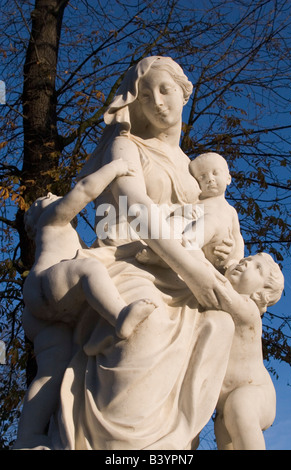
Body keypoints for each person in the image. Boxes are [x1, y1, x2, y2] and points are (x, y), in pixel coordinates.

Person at [19, 56, 238, 451]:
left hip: (185, 272)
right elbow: (136, 211)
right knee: (144, 323)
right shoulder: (124, 145)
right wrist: (194, 269)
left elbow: (205, 221)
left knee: (222, 325)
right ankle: (118, 446)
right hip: (130, 262)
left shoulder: (192, 167)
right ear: (132, 103)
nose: (157, 101)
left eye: (166, 89)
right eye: (145, 93)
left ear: (184, 93)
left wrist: (217, 254)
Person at [14, 158, 157, 450]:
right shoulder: (51, 219)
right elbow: (84, 190)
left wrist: (139, 249)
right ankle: (120, 317)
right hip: (47, 284)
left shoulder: (66, 240)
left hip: (39, 308)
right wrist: (116, 167)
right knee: (87, 270)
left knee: (51, 373)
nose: (53, 196)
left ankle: (27, 438)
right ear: (37, 215)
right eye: (46, 198)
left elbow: (109, 254)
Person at [213, 253, 284, 450]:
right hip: (224, 402)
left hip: (256, 392)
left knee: (240, 407)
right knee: (223, 427)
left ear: (261, 293)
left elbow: (212, 284)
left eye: (257, 268)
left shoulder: (248, 310)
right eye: (247, 259)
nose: (246, 262)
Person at [136, 151, 244, 272]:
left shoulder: (230, 210)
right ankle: (163, 252)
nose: (210, 179)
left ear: (228, 178)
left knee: (211, 220)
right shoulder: (196, 203)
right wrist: (182, 211)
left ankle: (180, 248)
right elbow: (176, 213)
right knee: (177, 219)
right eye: (202, 177)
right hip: (196, 245)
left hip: (217, 249)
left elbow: (237, 237)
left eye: (215, 173)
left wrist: (235, 259)